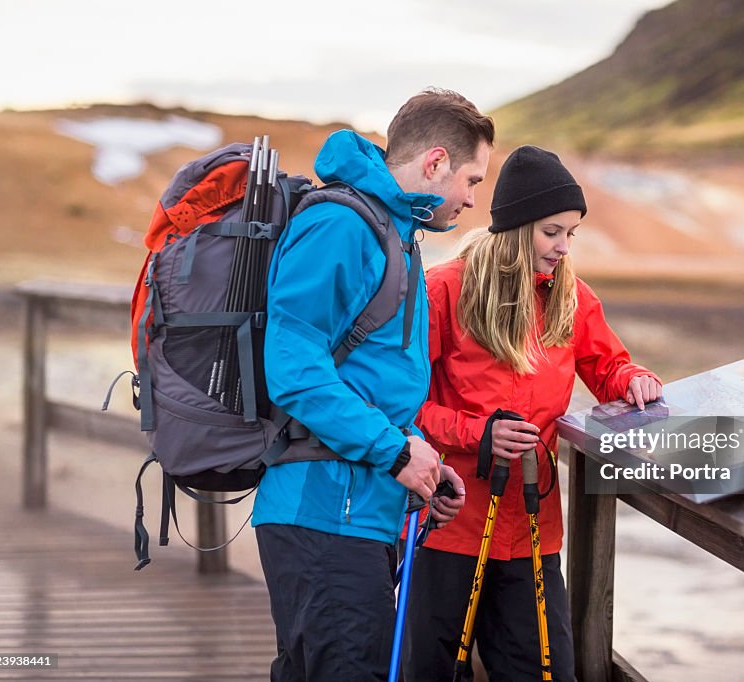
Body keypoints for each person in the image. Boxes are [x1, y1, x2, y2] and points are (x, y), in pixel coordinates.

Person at [253, 88, 495, 681]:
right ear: (435, 162)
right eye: (471, 179)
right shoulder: (341, 223)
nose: (470, 198)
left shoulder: (393, 231)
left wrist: (422, 462)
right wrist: (393, 452)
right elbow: (295, 368)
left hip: (357, 512)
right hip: (322, 513)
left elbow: (372, 383)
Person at [404, 145, 662, 681]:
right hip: (448, 524)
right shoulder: (443, 290)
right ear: (518, 227)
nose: (564, 247)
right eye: (552, 232)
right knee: (431, 672)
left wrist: (632, 379)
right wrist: (477, 434)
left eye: (572, 233)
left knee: (546, 673)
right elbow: (402, 408)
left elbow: (607, 365)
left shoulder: (573, 297)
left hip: (534, 532)